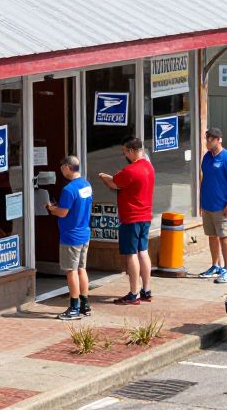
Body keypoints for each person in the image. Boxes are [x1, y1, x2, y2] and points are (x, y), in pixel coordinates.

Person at [99, 137, 155, 305]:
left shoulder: (130, 170)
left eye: (124, 151)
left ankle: (134, 293)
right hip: (145, 216)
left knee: (131, 255)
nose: (124, 154)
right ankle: (146, 290)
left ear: (131, 150)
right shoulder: (149, 167)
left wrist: (102, 176)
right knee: (143, 252)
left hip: (131, 217)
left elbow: (114, 183)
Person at [45, 155, 93, 321]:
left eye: (61, 168)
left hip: (71, 236)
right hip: (84, 233)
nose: (61, 171)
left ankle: (74, 307)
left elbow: (63, 212)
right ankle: (85, 304)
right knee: (81, 269)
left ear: (67, 167)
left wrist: (52, 209)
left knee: (70, 271)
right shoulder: (86, 185)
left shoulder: (69, 189)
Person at [197, 127, 227, 284]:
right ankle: (216, 265)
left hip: (222, 206)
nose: (207, 142)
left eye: (210, 139)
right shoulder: (207, 157)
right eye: (206, 139)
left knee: (225, 237)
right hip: (208, 205)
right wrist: (201, 202)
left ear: (218, 140)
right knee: (212, 236)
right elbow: (204, 180)